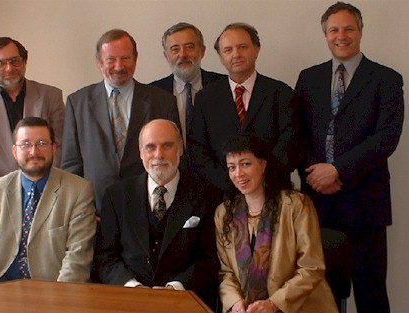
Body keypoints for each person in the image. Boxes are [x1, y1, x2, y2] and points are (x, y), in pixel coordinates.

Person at [293, 3, 404, 313]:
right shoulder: (308, 78)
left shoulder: (387, 79)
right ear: (325, 35)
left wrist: (337, 171)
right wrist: (316, 174)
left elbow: (386, 139)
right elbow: (297, 134)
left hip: (365, 203)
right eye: (333, 30)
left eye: (348, 28)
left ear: (360, 32)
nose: (341, 36)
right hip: (318, 203)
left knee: (371, 293)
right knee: (321, 295)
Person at [0, 117, 96, 290]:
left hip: (51, 291)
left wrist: (61, 302)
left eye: (42, 143)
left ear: (53, 148)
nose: (33, 152)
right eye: (25, 144)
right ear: (14, 151)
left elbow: (77, 258)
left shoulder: (78, 191)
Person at [98, 119, 221, 309]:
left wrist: (175, 288)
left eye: (167, 146)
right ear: (140, 152)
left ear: (180, 148)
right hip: (127, 302)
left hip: (185, 302)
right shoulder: (116, 196)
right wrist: (134, 288)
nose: (158, 155)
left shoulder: (207, 196)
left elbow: (210, 259)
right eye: (150, 147)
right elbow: (106, 258)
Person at [61, 29, 180, 216]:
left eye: (125, 58)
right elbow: (71, 165)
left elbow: (175, 157)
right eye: (111, 59)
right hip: (96, 211)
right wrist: (81, 211)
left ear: (135, 59)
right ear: (99, 62)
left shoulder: (162, 101)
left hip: (148, 210)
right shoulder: (77, 103)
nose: (119, 66)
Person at [215, 133, 338, 313]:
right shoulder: (224, 213)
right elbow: (226, 272)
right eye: (232, 167)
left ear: (263, 165)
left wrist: (274, 304)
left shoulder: (296, 205)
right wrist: (235, 302)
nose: (238, 173)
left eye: (246, 164)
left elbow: (311, 267)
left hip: (301, 307)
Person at [188, 23, 302, 191]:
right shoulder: (205, 98)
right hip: (221, 195)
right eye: (228, 50)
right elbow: (198, 149)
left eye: (243, 47)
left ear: (257, 49)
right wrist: (230, 182)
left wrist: (260, 179)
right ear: (220, 57)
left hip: (273, 191)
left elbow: (291, 143)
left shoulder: (281, 93)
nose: (236, 54)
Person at [0, 37, 65, 191]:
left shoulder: (51, 96)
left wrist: (45, 183)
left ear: (24, 62)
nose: (9, 68)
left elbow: (60, 144)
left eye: (14, 61)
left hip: (46, 187)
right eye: (0, 63)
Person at [150, 22, 225, 144]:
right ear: (166, 56)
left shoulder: (224, 86)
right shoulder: (153, 94)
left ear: (202, 51)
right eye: (175, 49)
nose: (183, 54)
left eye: (189, 47)